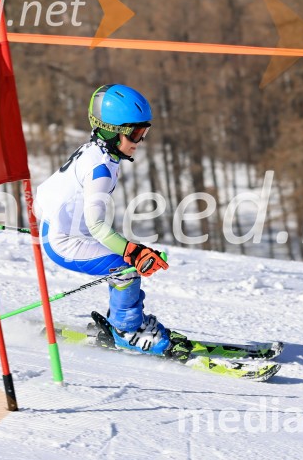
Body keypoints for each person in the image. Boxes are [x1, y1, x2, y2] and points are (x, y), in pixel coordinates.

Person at [33, 84, 191, 360]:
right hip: (65, 244)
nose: (139, 141)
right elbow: (97, 227)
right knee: (126, 266)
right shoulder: (101, 169)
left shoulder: (94, 151)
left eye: (144, 132)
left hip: (60, 233)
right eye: (136, 133)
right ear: (111, 130)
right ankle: (127, 330)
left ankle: (126, 321)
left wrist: (52, 222)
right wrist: (133, 251)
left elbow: (43, 195)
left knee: (124, 259)